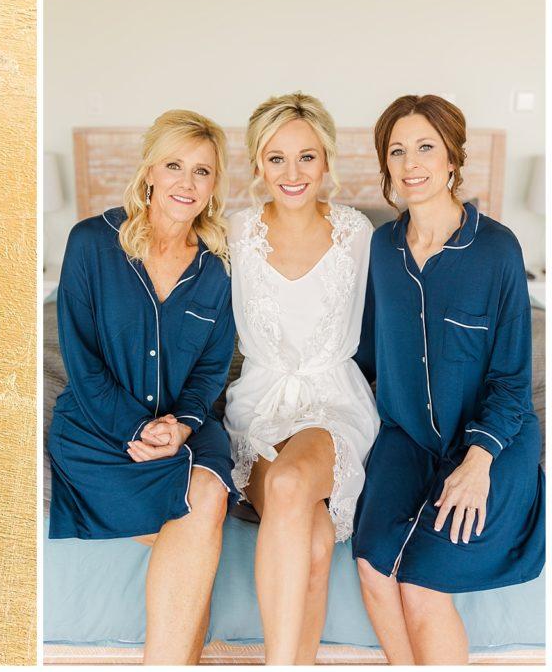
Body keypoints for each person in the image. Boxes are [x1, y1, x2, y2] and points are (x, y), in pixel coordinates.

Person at [352, 94, 545, 665]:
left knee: (421, 580)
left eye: (425, 147)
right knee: (371, 562)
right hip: (407, 436)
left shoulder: (498, 249)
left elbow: (513, 379)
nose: (411, 162)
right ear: (385, 165)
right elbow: (365, 353)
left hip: (493, 438)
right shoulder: (381, 248)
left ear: (453, 158)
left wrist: (479, 462)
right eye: (397, 150)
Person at [48, 109, 238, 664]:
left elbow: (211, 370)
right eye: (174, 165)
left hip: (187, 429)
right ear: (149, 171)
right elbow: (80, 361)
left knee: (205, 496)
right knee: (203, 524)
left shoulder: (221, 266)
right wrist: (136, 427)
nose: (187, 182)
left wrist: (180, 425)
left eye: (202, 171)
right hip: (98, 431)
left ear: (214, 184)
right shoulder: (91, 243)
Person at [224, 92, 379, 664]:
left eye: (307, 157)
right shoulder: (234, 233)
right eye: (277, 158)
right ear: (257, 163)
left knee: (290, 487)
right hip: (259, 407)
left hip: (333, 402)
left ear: (327, 160)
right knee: (311, 539)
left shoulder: (358, 233)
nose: (293, 174)